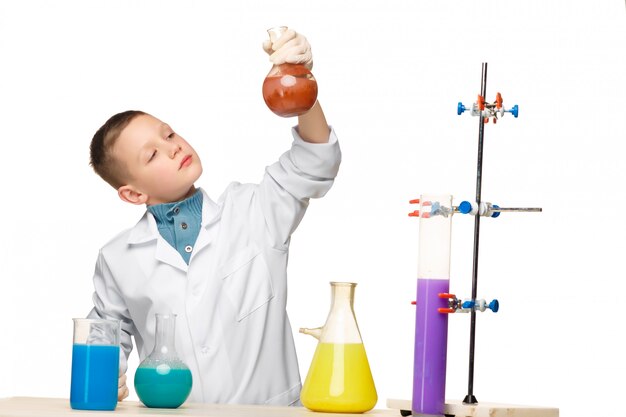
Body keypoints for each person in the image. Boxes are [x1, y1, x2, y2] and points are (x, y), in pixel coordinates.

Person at [86, 28, 341, 406]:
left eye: (168, 134)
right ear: (133, 193)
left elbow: (315, 160)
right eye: (152, 154)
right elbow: (105, 332)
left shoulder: (253, 210)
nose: (172, 148)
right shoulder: (117, 257)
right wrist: (109, 376)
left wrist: (300, 86)